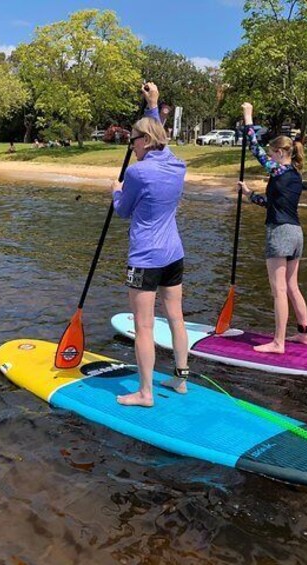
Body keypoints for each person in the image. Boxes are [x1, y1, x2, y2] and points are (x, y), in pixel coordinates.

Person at [112, 82, 189, 407]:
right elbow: (158, 134)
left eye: (133, 141)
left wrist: (115, 190)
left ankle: (145, 393)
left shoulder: (137, 173)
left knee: (143, 326)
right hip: (174, 254)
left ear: (145, 141)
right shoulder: (176, 163)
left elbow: (122, 212)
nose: (132, 147)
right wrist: (152, 104)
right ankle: (181, 378)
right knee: (175, 316)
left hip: (145, 258)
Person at [236, 102, 307, 354]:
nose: (269, 156)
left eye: (272, 152)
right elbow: (271, 203)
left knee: (279, 289)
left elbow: (254, 149)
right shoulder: (294, 175)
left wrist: (248, 118)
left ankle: (278, 342)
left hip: (279, 233)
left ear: (280, 152)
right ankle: (303, 334)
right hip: (296, 233)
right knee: (292, 286)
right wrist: (249, 194)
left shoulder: (277, 169)